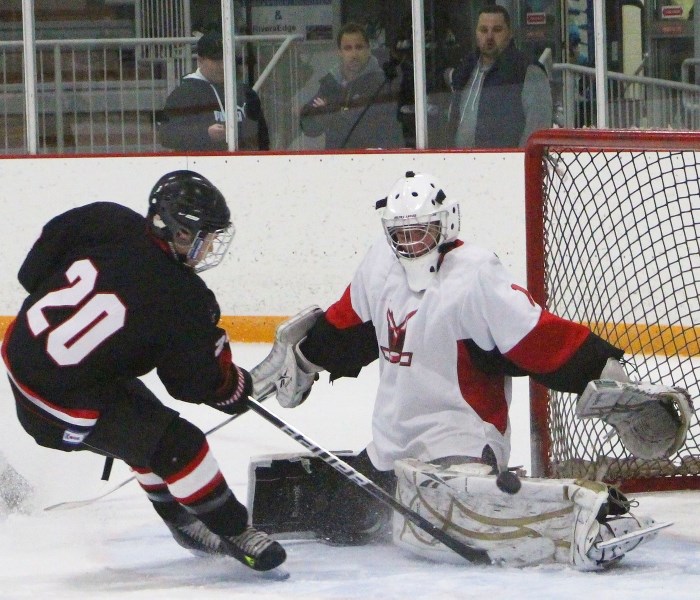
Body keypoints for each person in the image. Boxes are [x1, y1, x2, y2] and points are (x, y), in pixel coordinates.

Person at [247, 171, 687, 567]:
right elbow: (347, 326)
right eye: (400, 234)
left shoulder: (474, 275)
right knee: (339, 520)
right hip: (392, 450)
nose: (410, 244)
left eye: (420, 232)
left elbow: (541, 337)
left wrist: (611, 377)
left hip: (461, 448)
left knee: (438, 529)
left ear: (446, 224)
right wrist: (305, 358)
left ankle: (596, 513)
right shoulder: (379, 264)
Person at [0, 170, 286, 573]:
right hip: (57, 405)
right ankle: (234, 530)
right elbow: (191, 384)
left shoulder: (106, 218)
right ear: (181, 233)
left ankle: (181, 522)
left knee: (144, 423)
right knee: (180, 445)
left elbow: (31, 273)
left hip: (22, 351)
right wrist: (233, 388)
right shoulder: (183, 296)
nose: (210, 248)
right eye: (206, 237)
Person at [445, 5, 552, 148]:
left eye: (497, 30)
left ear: (510, 33)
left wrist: (520, 163)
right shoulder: (466, 70)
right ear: (476, 33)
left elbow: (538, 127)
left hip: (506, 166)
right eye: (483, 30)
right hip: (460, 164)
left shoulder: (528, 71)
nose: (489, 36)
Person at [158, 31, 270, 151]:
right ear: (200, 60)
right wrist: (205, 134)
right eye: (216, 60)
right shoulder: (183, 94)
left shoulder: (246, 93)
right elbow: (166, 135)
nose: (223, 66)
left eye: (226, 59)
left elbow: (262, 137)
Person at [300, 22, 404, 149]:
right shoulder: (331, 84)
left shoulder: (382, 83)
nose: (354, 55)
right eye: (348, 48)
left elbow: (364, 126)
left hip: (372, 160)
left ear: (368, 49)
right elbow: (309, 128)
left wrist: (328, 114)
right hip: (336, 161)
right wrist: (318, 117)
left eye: (359, 47)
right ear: (339, 52)